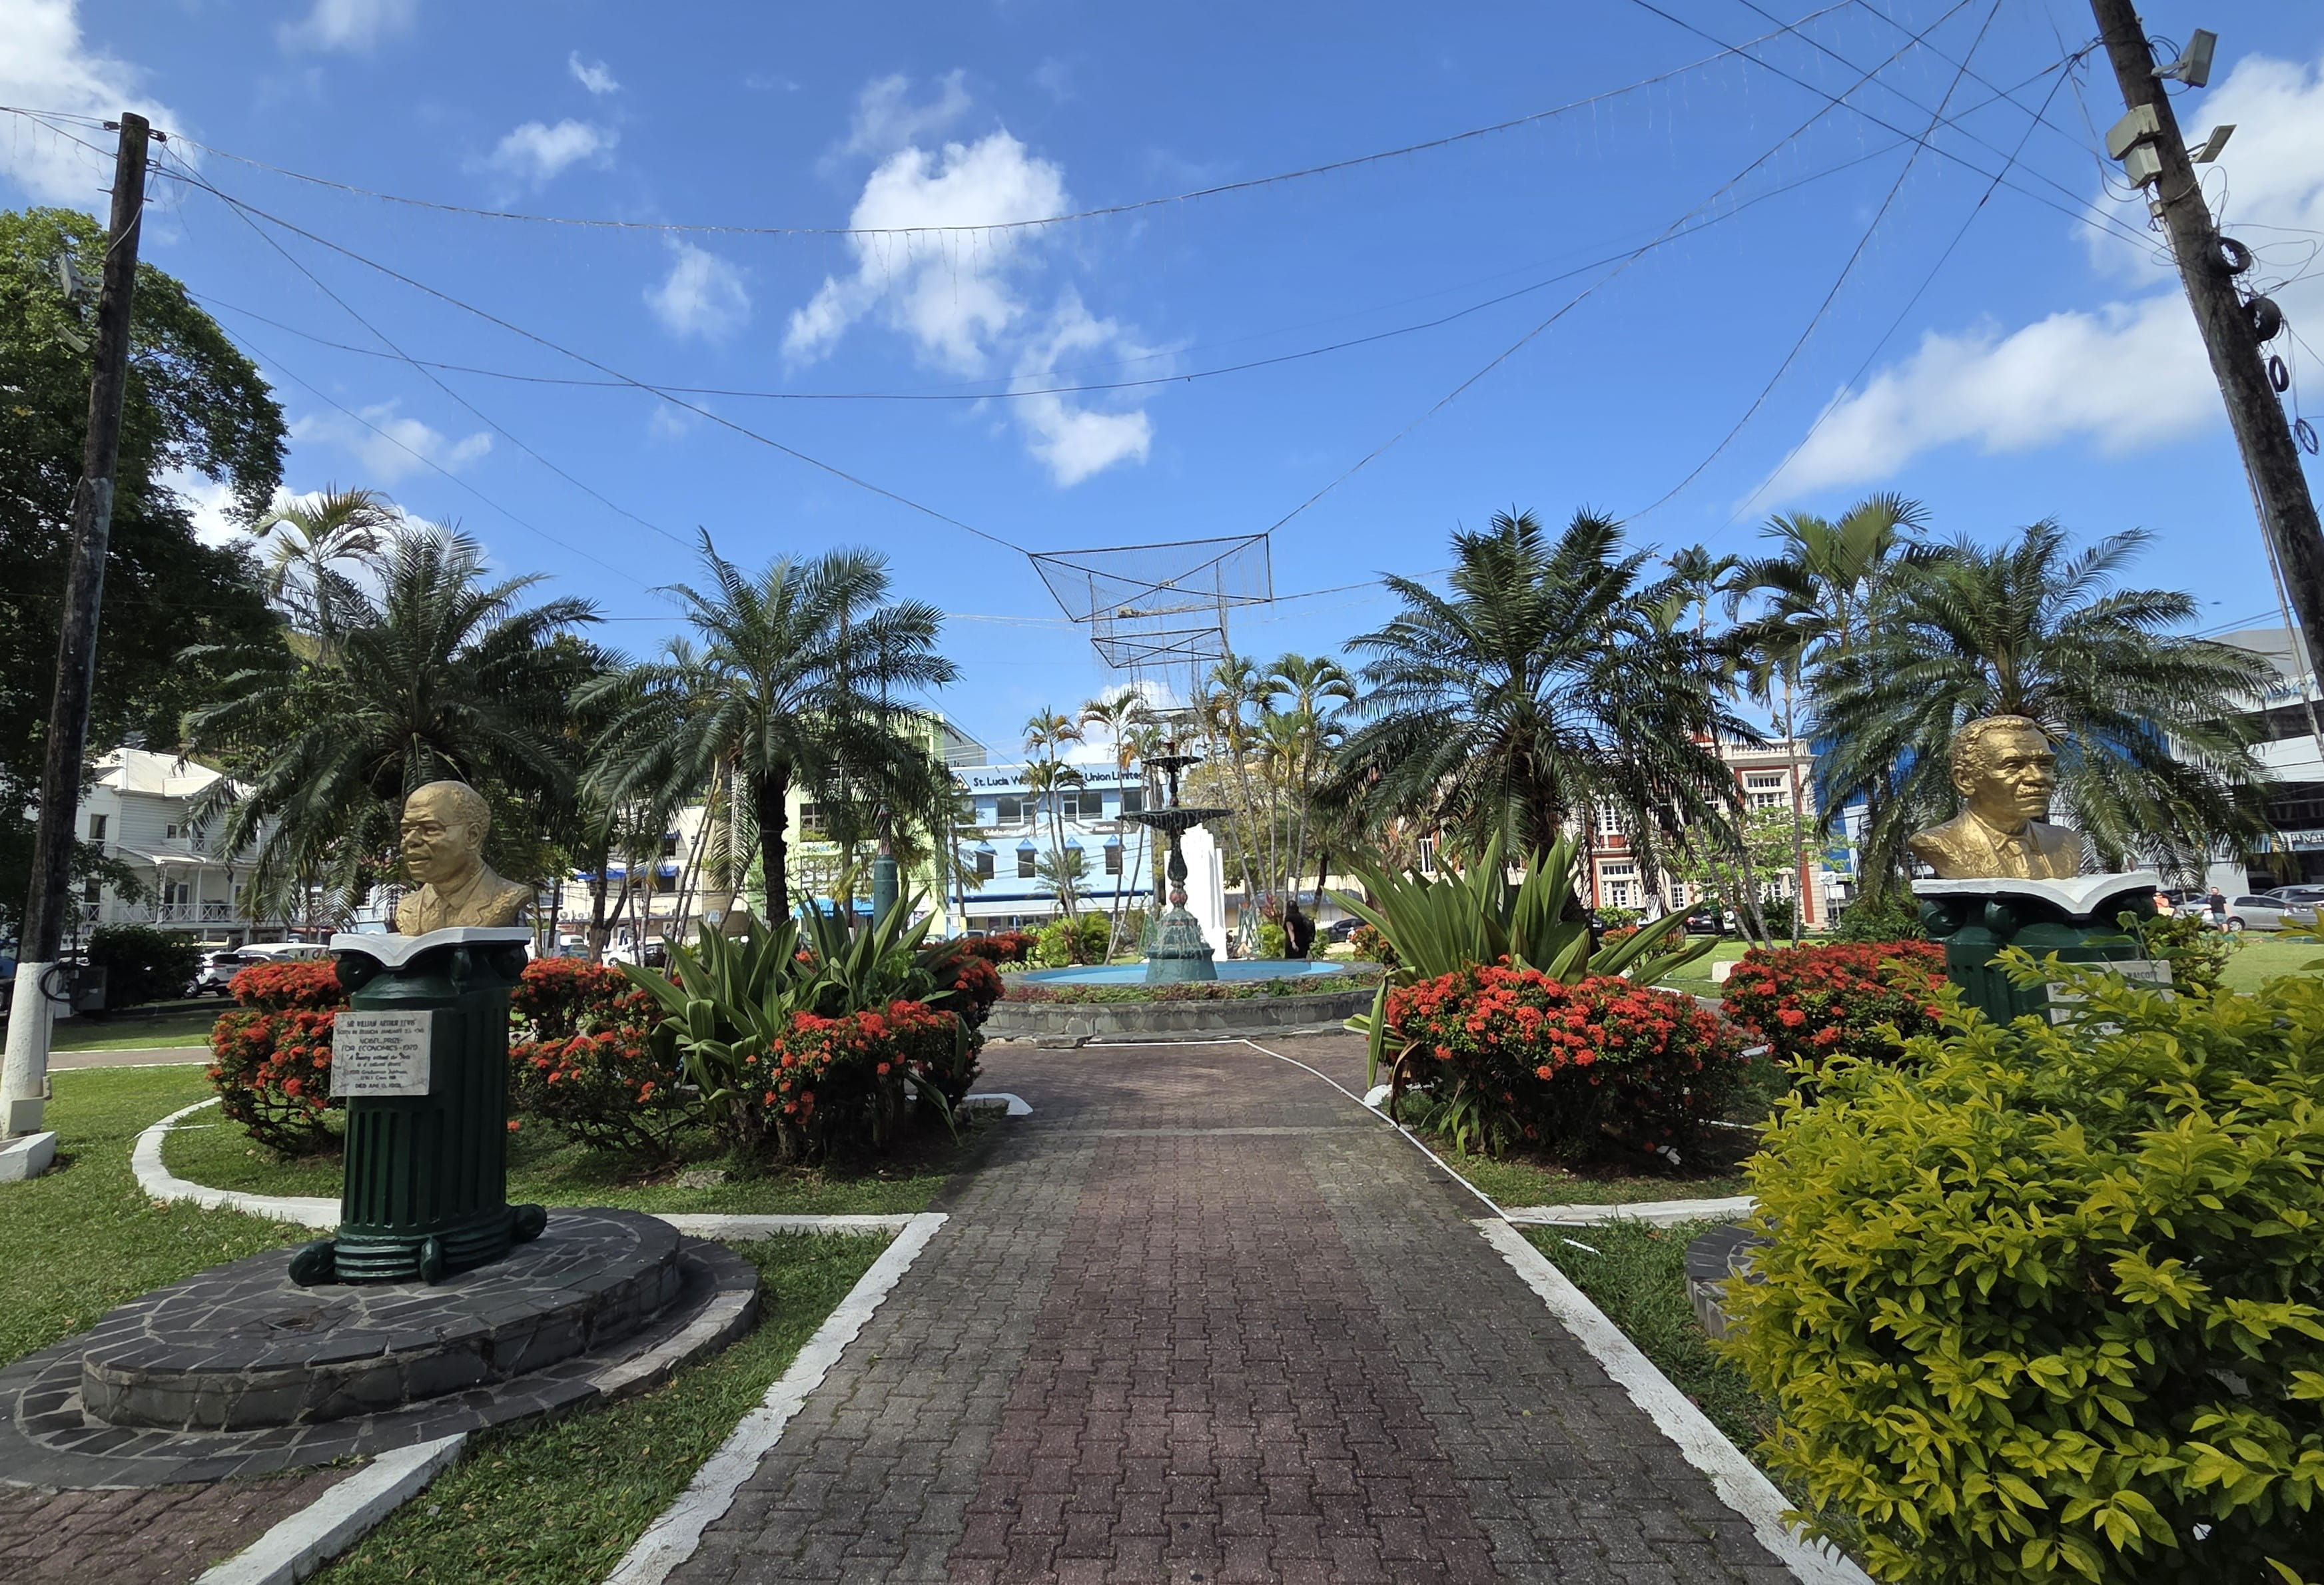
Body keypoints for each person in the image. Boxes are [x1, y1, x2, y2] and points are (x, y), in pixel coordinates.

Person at [1906, 715, 2084, 880]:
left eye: (2045, 764)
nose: (2037, 777)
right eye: (2014, 765)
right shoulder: (1941, 843)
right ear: (1965, 780)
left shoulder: (2066, 842)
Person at [392, 781, 532, 933]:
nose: (410, 841)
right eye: (406, 830)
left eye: (430, 829)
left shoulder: (506, 897)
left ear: (472, 836)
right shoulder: (408, 908)